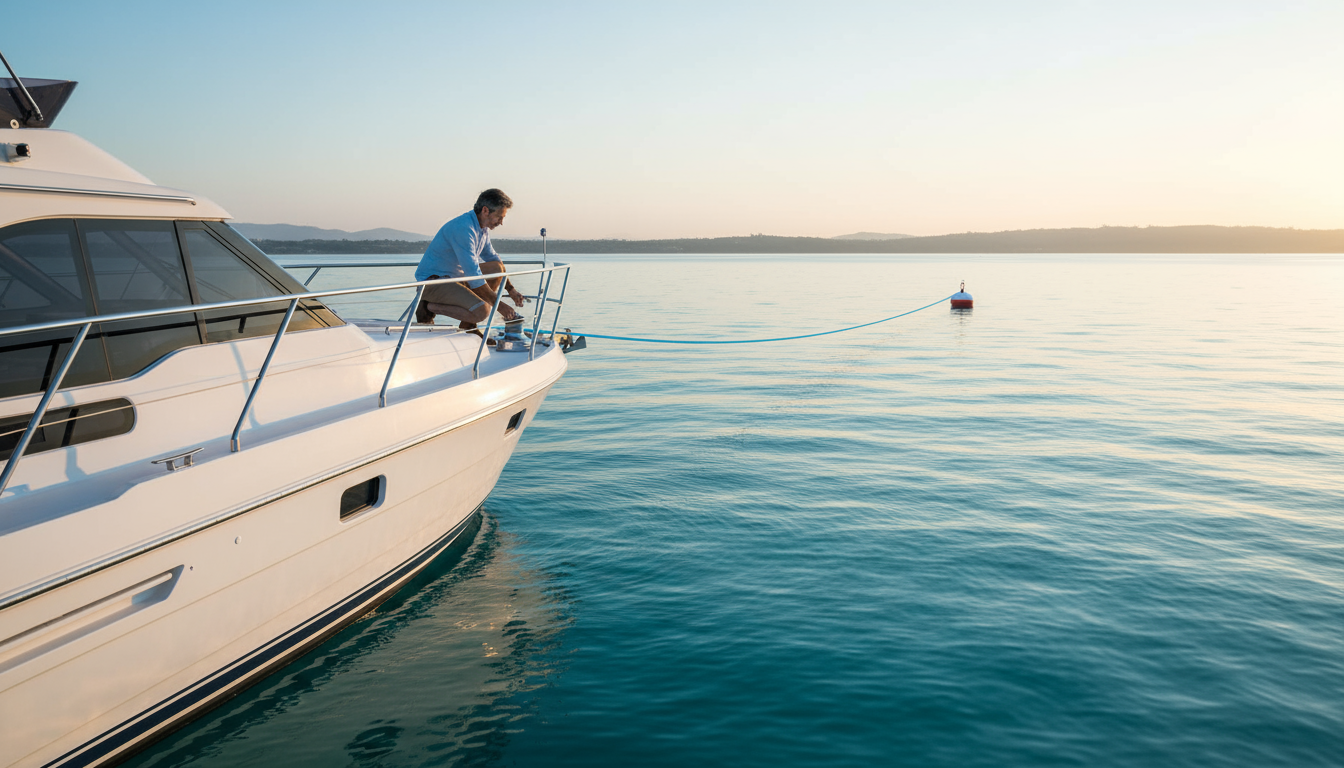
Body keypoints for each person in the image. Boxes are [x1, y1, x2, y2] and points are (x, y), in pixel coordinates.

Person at [414, 188, 527, 331]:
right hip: (435, 282)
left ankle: (468, 328)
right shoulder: (464, 229)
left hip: (456, 278)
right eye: (499, 217)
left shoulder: (482, 228)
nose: (501, 222)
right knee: (483, 311)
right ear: (485, 210)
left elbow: (493, 259)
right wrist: (500, 306)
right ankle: (428, 306)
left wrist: (511, 290)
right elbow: (473, 275)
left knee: (496, 268)